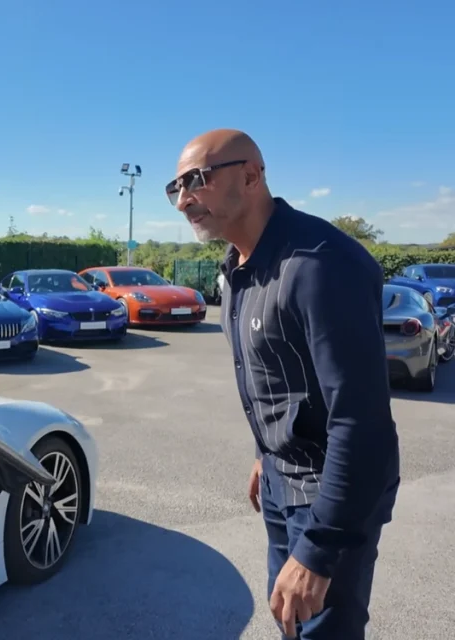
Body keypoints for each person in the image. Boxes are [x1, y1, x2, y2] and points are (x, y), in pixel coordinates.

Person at [166, 129, 400, 639]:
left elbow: (362, 422)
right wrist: (263, 454)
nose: (184, 199)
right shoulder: (238, 268)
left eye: (197, 180)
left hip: (329, 496)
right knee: (290, 625)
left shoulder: (320, 265)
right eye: (176, 187)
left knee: (320, 630)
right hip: (279, 482)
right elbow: (272, 379)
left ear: (251, 176)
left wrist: (319, 549)